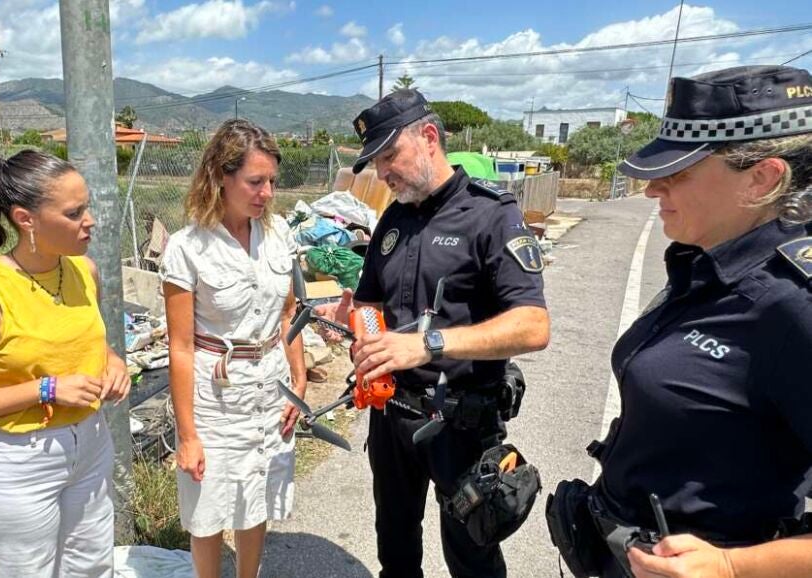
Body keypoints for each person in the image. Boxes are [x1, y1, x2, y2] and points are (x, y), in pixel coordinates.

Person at [553, 65, 812, 578]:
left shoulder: (794, 304)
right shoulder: (706, 263)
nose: (653, 189)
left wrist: (733, 566)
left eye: (679, 173)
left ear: (763, 178)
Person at [318, 89, 551, 578]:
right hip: (391, 417)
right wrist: (360, 326)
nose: (382, 172)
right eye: (376, 162)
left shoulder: (492, 213)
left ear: (428, 138)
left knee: (472, 557)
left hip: (460, 423)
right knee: (395, 547)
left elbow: (533, 325)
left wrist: (428, 343)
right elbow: (370, 301)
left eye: (389, 156)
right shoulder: (394, 217)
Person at [0, 149, 130, 577]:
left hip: (92, 444)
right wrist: (46, 389)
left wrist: (114, 362)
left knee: (93, 568)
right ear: (26, 219)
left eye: (87, 207)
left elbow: (90, 343)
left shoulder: (84, 271)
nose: (90, 220)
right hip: (22, 460)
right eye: (74, 213)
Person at [160, 119, 307, 578]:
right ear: (220, 176)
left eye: (272, 182)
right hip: (215, 401)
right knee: (207, 510)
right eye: (255, 181)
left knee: (256, 498)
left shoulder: (278, 234)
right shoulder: (187, 248)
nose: (267, 193)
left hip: (271, 389)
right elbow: (181, 347)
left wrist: (299, 380)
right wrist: (188, 435)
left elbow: (288, 313)